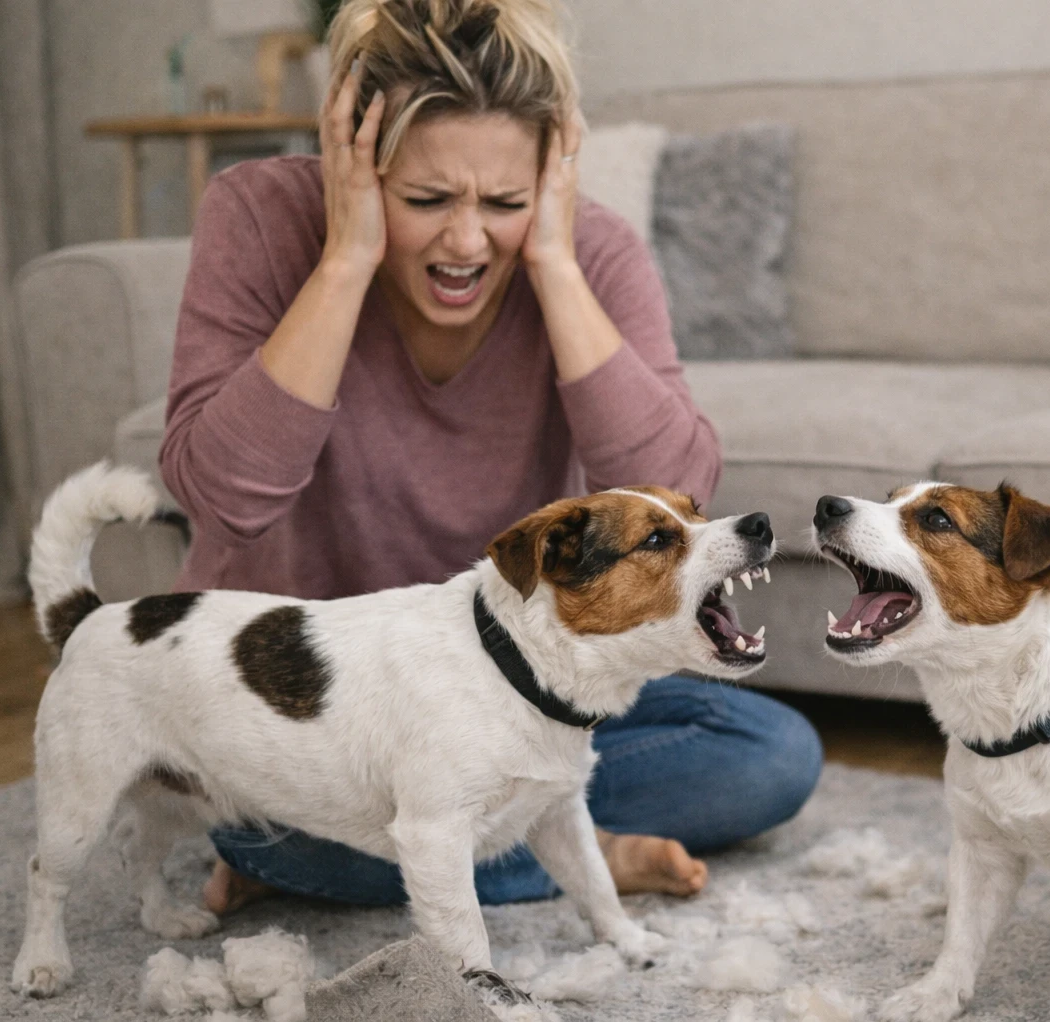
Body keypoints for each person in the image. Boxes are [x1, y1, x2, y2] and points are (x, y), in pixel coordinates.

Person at [158, 0, 822, 912]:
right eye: (425, 200)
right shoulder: (261, 220)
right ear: (357, 169)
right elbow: (225, 496)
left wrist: (552, 260)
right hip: (321, 706)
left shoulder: (590, 253)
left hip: (517, 675)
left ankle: (494, 847)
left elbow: (680, 487)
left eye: (503, 203)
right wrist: (346, 259)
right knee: (275, 823)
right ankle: (575, 852)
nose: (466, 243)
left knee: (773, 756)